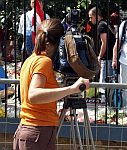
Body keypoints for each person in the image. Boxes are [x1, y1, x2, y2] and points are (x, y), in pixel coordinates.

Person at [13, 18, 90, 150]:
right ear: (60, 42)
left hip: (28, 132)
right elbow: (34, 95)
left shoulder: (31, 60)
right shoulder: (44, 62)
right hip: (38, 134)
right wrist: (71, 89)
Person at [96, 7, 116, 99]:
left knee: (104, 81)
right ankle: (109, 100)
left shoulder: (101, 25)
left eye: (91, 17)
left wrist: (99, 56)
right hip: (112, 56)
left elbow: (104, 42)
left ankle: (104, 101)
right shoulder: (106, 23)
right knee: (110, 79)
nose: (90, 19)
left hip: (107, 56)